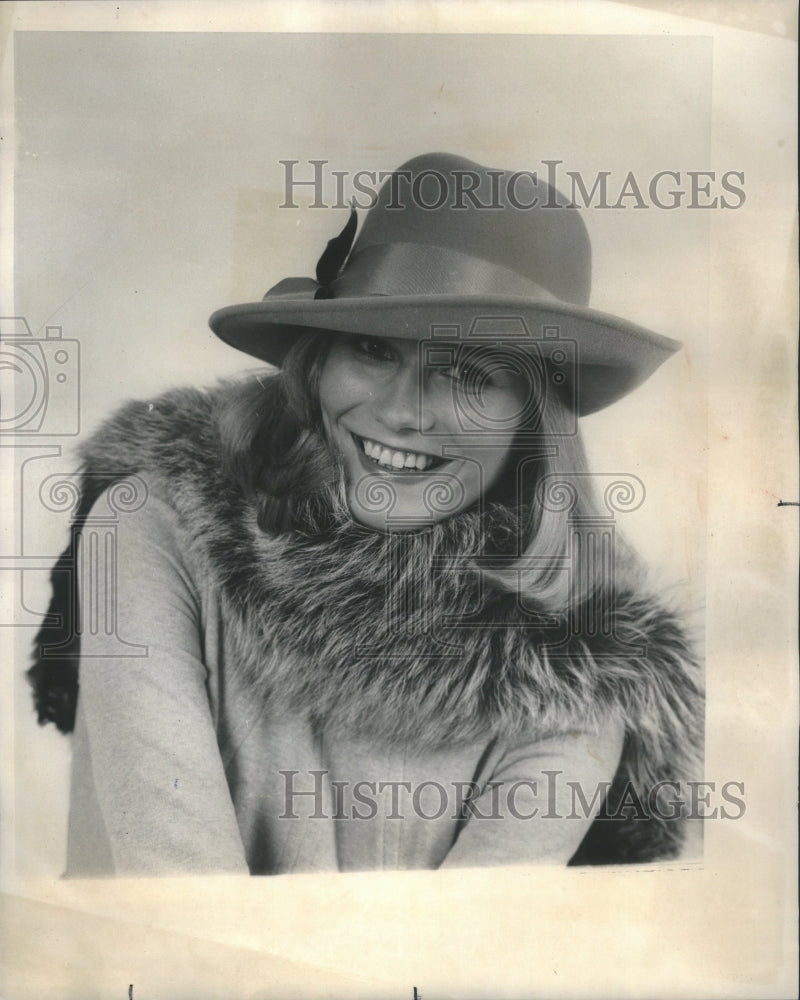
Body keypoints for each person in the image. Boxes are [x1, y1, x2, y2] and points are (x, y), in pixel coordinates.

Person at [29, 153, 703, 876]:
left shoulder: (580, 650)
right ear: (316, 362)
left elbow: (474, 949)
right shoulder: (153, 519)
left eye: (469, 374)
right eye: (374, 350)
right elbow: (177, 892)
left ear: (534, 422)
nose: (400, 412)